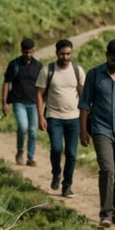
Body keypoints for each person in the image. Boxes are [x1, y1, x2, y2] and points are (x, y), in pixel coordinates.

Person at [79, 38, 115, 228]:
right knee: (107, 170)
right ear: (107, 56)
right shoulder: (94, 75)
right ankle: (105, 213)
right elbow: (84, 105)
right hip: (101, 129)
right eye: (114, 60)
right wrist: (83, 131)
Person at [36, 39, 86, 198]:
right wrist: (40, 117)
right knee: (57, 148)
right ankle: (56, 172)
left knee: (71, 153)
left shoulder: (77, 71)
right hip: (54, 117)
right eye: (62, 54)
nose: (66, 57)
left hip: (74, 118)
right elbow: (39, 94)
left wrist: (86, 119)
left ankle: (67, 185)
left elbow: (83, 94)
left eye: (68, 54)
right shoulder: (48, 70)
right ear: (56, 53)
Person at [2, 38, 43, 168]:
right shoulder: (14, 64)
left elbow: (42, 87)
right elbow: (7, 82)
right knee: (23, 126)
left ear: (34, 51)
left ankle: (30, 157)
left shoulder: (39, 66)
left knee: (33, 131)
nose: (28, 55)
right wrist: (4, 102)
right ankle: (20, 150)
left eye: (30, 52)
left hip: (34, 102)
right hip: (18, 101)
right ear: (21, 51)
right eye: (26, 52)